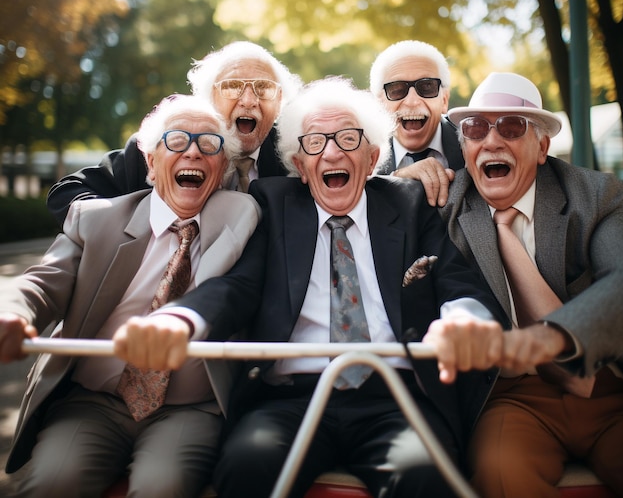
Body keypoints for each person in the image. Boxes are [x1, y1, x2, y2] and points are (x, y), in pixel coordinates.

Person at [113, 77, 510, 498]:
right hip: (290, 399)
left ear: (373, 157)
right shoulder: (274, 204)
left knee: (425, 477)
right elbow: (238, 286)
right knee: (247, 466)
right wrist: (181, 319)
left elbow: (456, 279)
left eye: (347, 139)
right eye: (316, 142)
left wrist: (464, 320)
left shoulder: (409, 205)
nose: (333, 152)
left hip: (396, 397)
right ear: (300, 166)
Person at [0, 95, 261, 498]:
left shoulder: (242, 215)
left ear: (222, 166)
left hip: (188, 408)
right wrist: (10, 310)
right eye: (176, 141)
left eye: (209, 144)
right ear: (152, 164)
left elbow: (236, 291)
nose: (193, 150)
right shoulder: (96, 219)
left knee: (163, 487)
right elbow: (43, 282)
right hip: (93, 402)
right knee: (52, 482)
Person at [439, 72, 623, 497]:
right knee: (500, 473)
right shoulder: (445, 205)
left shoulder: (597, 196)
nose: (491, 141)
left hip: (608, 387)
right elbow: (385, 201)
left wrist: (553, 339)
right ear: (464, 145)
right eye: (475, 128)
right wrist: (410, 176)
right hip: (515, 396)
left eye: (510, 126)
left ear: (542, 147)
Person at [46, 41, 302, 224]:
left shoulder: (294, 157)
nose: (248, 100)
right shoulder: (159, 149)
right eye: (233, 86)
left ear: (279, 101)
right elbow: (66, 194)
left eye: (264, 88)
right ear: (209, 98)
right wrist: (145, 221)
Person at [369, 40, 463, 207]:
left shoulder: (474, 145)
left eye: (427, 87)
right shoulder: (360, 155)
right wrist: (396, 180)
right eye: (396, 89)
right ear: (378, 105)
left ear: (444, 100)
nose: (412, 101)